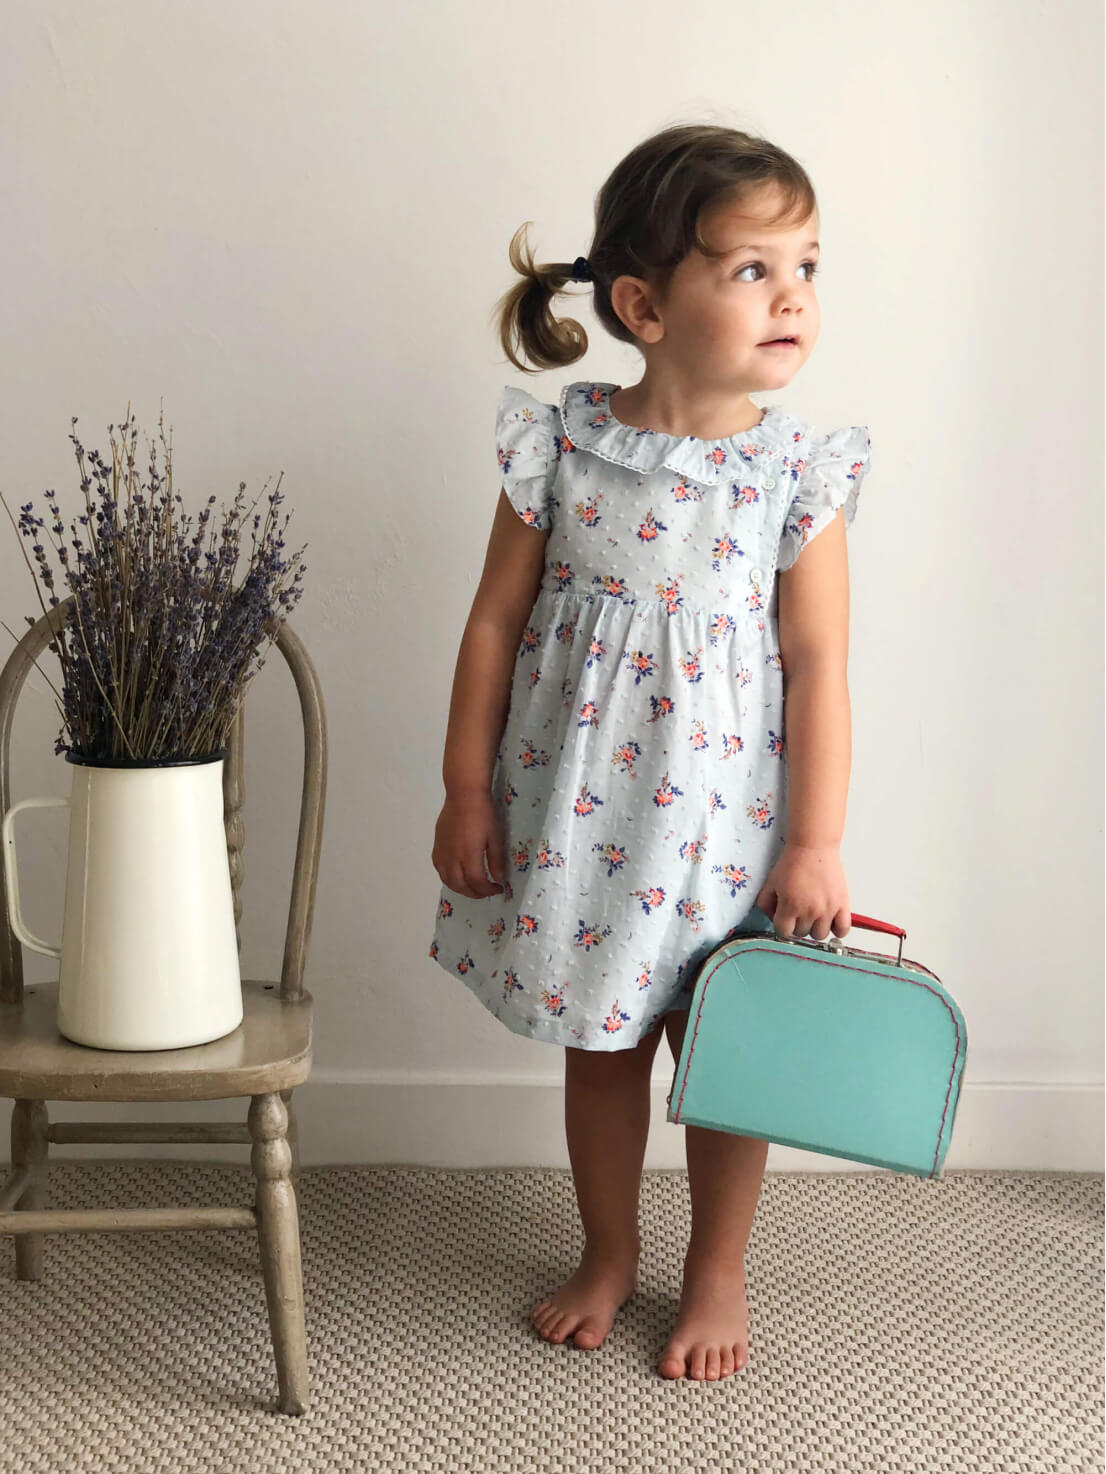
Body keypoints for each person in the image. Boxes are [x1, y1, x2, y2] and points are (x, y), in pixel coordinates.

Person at [429, 122, 871, 1382]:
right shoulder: (562, 449)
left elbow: (818, 666)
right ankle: (608, 1248)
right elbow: (492, 622)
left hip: (730, 830)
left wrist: (815, 842)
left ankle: (717, 1266)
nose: (792, 297)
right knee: (603, 1043)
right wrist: (464, 788)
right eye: (751, 270)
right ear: (643, 305)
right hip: (583, 818)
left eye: (806, 266)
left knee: (730, 1047)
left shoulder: (792, 474)